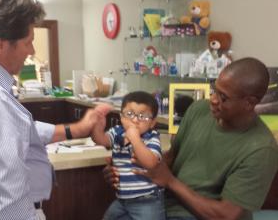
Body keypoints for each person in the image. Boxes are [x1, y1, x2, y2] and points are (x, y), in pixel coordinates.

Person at [0, 0, 100, 220]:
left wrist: (74, 130)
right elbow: (10, 206)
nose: (31, 51)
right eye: (27, 42)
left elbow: (12, 130)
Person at [104, 58, 278, 220]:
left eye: (223, 97)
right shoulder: (199, 110)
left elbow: (226, 215)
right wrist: (129, 169)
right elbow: (171, 157)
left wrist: (170, 181)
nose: (213, 99)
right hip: (164, 205)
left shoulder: (261, 149)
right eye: (214, 90)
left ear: (249, 103)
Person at [92, 91, 166, 220]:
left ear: (152, 122)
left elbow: (152, 163)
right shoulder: (117, 132)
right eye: (130, 114)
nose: (135, 120)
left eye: (142, 116)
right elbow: (100, 140)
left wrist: (135, 139)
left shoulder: (151, 137)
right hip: (122, 199)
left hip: (147, 200)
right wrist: (98, 125)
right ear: (121, 116)